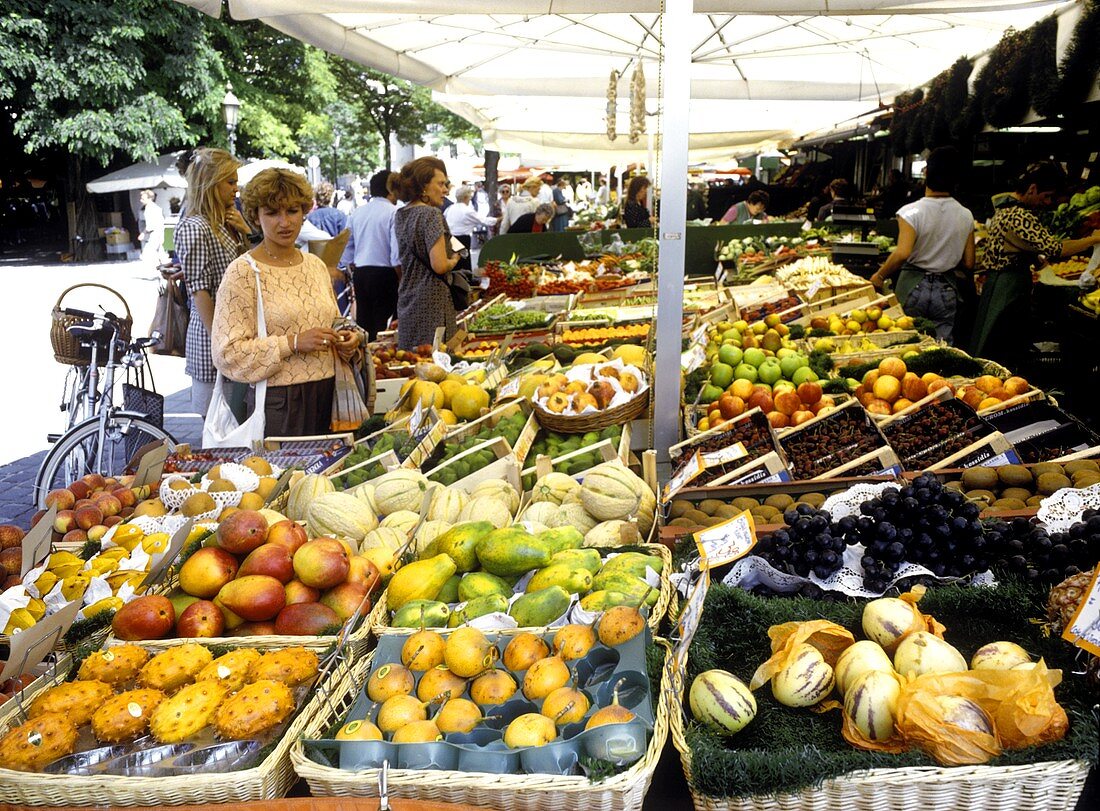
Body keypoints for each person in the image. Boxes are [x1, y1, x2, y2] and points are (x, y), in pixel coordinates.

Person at [211, 168, 361, 437]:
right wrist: (291, 343)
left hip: (331, 396)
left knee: (329, 477)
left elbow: (335, 322)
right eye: (272, 213)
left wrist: (348, 340)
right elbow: (227, 354)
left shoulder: (315, 265)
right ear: (256, 216)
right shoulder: (243, 272)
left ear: (304, 211)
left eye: (292, 211)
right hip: (278, 404)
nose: (285, 222)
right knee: (287, 478)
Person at [971, 161, 1100, 364]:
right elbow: (1056, 248)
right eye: (1046, 195)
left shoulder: (1004, 209)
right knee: (1001, 348)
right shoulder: (1019, 215)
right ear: (1032, 189)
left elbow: (1019, 246)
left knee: (990, 344)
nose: (1048, 202)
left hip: (998, 285)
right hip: (1008, 290)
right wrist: (1093, 239)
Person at [870, 147, 975, 344]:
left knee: (906, 342)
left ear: (926, 172)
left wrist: (879, 275)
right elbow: (969, 263)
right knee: (942, 346)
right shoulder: (966, 215)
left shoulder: (910, 212)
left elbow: (903, 252)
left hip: (913, 286)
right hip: (946, 289)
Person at [175, 148, 252, 418]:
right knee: (219, 428)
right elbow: (199, 292)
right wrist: (219, 342)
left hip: (235, 335)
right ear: (210, 183)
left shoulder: (225, 221)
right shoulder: (196, 226)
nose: (236, 188)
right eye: (230, 181)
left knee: (238, 423)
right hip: (213, 339)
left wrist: (247, 232)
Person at [393, 156, 464, 350]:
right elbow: (439, 265)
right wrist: (455, 259)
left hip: (409, 298)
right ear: (423, 186)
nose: (446, 190)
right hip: (433, 302)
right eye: (441, 184)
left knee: (414, 363)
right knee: (439, 363)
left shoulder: (401, 214)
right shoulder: (432, 214)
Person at [341, 169, 402, 339]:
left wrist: (349, 267)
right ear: (391, 189)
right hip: (385, 273)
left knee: (364, 323)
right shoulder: (393, 212)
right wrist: (401, 277)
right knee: (383, 325)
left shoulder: (358, 212)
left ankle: (365, 359)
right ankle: (379, 361)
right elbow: (395, 251)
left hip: (361, 273)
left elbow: (347, 245)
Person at [446, 185, 496, 271]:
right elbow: (484, 221)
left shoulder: (450, 209)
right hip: (462, 239)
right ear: (465, 197)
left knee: (455, 264)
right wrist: (499, 219)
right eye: (469, 197)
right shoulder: (467, 211)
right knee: (464, 264)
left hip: (450, 239)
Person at [138, 189, 167, 266]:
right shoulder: (156, 207)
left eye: (143, 199)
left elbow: (150, 225)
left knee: (147, 253)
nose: (141, 200)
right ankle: (163, 269)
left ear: (150, 198)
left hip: (154, 233)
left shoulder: (150, 209)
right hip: (159, 232)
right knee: (160, 253)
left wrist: (143, 233)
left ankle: (157, 269)